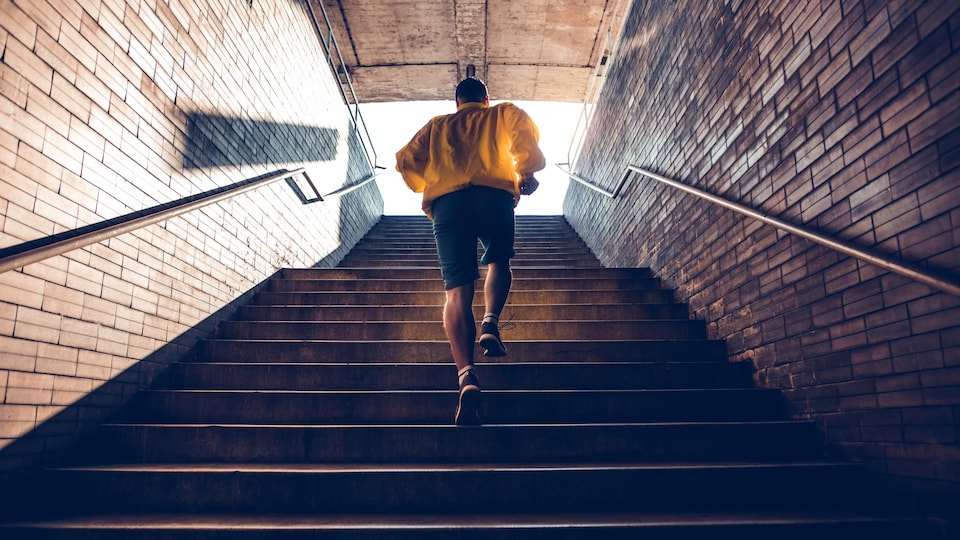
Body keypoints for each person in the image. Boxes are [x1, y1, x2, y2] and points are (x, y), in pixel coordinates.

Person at [395, 77, 546, 425]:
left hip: (449, 203)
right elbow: (524, 135)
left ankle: (466, 377)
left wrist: (427, 179)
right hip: (494, 196)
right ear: (486, 99)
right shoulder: (502, 113)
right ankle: (491, 322)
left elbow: (406, 161)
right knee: (498, 261)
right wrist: (526, 172)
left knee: (456, 293)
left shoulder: (438, 125)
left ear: (457, 103)